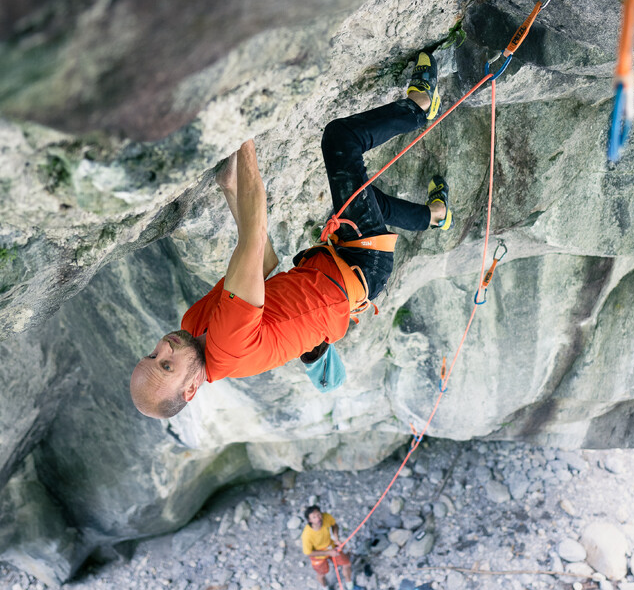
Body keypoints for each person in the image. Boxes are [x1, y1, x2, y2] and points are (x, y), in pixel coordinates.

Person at [130, 52, 454, 418]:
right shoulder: (228, 344)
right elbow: (254, 235)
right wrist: (242, 132)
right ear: (191, 389)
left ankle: (435, 215)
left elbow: (263, 261)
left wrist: (230, 188)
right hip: (363, 266)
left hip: (335, 267)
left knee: (366, 197)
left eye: (153, 354)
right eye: (166, 365)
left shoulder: (194, 325)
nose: (165, 347)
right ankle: (420, 107)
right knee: (341, 141)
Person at [301, 504, 364, 590]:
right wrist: (328, 553)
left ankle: (350, 586)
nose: (318, 518)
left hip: (330, 546)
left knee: (346, 563)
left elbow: (334, 525)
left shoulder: (325, 517)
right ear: (310, 521)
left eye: (319, 515)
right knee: (322, 573)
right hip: (318, 554)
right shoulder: (307, 535)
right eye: (314, 517)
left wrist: (336, 537)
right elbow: (308, 553)